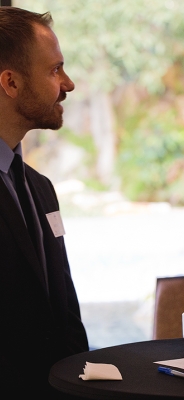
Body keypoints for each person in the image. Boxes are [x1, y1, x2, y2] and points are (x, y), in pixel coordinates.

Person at [0, 6, 88, 397]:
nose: (68, 84)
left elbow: (62, 306)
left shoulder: (39, 187)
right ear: (11, 83)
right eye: (55, 70)